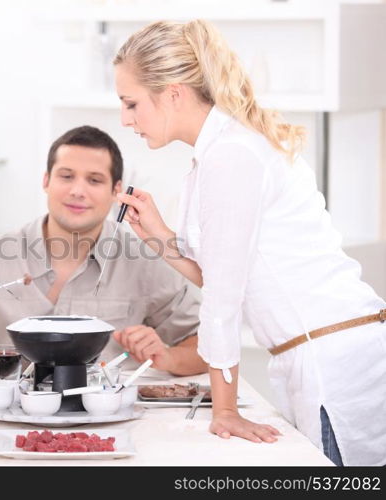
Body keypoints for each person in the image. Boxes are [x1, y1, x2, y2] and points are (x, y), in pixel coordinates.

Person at [112, 19, 386, 465]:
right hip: (318, 355)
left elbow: (223, 296)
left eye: (131, 103)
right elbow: (228, 273)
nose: (126, 119)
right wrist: (161, 239)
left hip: (335, 363)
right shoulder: (218, 153)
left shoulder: (231, 156)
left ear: (174, 93)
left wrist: (224, 409)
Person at [0, 125, 207, 375]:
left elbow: (206, 347)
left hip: (107, 429)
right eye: (66, 176)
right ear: (46, 181)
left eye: (94, 180)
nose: (78, 190)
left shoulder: (145, 263)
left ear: (117, 191)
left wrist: (167, 357)